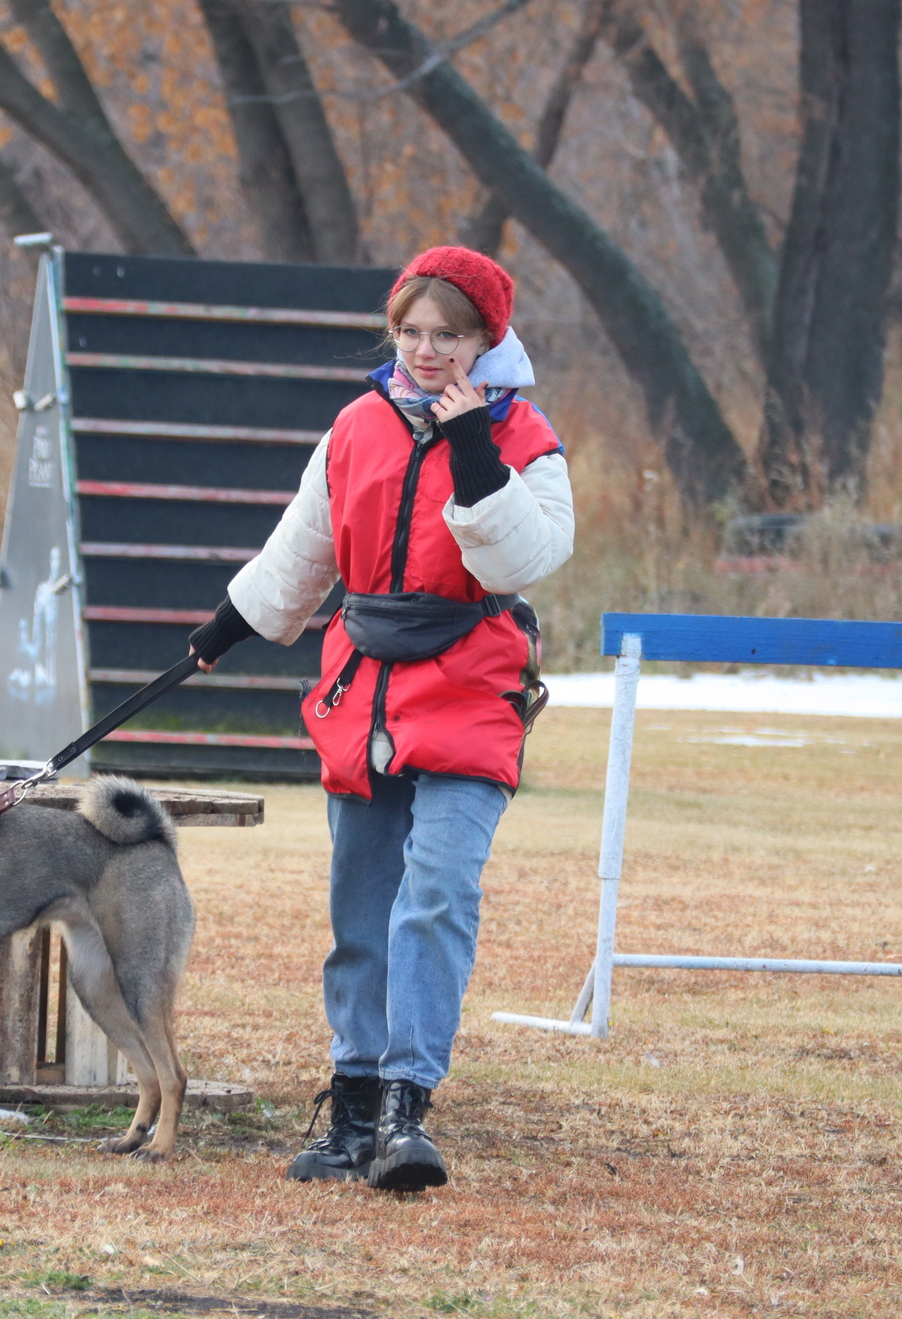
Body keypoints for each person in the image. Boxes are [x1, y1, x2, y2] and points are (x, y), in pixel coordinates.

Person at [187, 246, 573, 1192]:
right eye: (412, 332)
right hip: (364, 688)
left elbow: (522, 561)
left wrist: (474, 448)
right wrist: (222, 631)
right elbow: (300, 555)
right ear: (393, 332)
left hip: (472, 684)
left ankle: (409, 1108)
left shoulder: (527, 439)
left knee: (436, 894)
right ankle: (354, 1102)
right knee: (359, 911)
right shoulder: (357, 425)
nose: (428, 350)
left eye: (450, 335)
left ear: (487, 339)